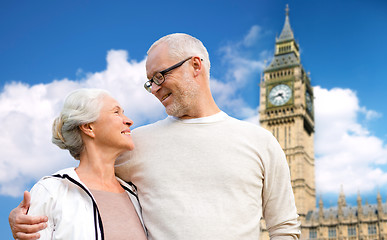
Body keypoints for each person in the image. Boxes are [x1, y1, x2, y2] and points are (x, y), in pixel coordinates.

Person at [9, 33, 300, 239]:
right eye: (150, 83)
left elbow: (284, 227)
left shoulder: (260, 142)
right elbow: (86, 175)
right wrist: (25, 217)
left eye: (160, 76)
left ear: (195, 66)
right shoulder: (136, 144)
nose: (155, 89)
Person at [9, 88, 147, 239]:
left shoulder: (136, 195)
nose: (129, 121)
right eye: (116, 112)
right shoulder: (52, 191)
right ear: (88, 127)